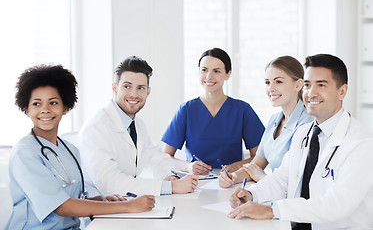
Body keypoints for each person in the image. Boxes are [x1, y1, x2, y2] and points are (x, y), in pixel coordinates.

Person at [228, 54, 373, 229]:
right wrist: (252, 194)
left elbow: (338, 204)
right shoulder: (304, 133)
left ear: (342, 91)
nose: (311, 93)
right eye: (307, 85)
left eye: (321, 85)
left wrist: (272, 209)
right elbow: (283, 178)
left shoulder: (361, 142)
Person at [6, 65, 155, 230]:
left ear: (65, 108)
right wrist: (129, 206)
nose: (45, 110)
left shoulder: (69, 149)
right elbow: (62, 206)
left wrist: (100, 199)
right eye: (36, 104)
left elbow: (74, 199)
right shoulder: (25, 153)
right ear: (26, 109)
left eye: (53, 102)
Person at [79, 56, 198, 197]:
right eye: (127, 86)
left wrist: (171, 176)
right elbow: (110, 184)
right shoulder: (96, 127)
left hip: (127, 204)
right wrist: (170, 187)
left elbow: (156, 158)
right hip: (100, 212)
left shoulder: (137, 125)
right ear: (114, 88)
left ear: (148, 92)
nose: (134, 94)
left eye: (140, 88)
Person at [162, 48, 265, 175]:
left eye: (216, 71)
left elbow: (260, 157)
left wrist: (238, 166)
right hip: (194, 183)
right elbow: (165, 157)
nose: (209, 76)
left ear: (228, 74)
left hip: (232, 181)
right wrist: (188, 166)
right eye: (204, 70)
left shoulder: (242, 110)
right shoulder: (186, 110)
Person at [219, 56, 313, 188]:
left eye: (278, 82)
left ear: (298, 85)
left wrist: (262, 177)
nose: (271, 89)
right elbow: (256, 165)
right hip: (274, 192)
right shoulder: (274, 120)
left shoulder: (308, 123)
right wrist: (233, 177)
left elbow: (298, 181)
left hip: (294, 201)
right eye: (267, 83)